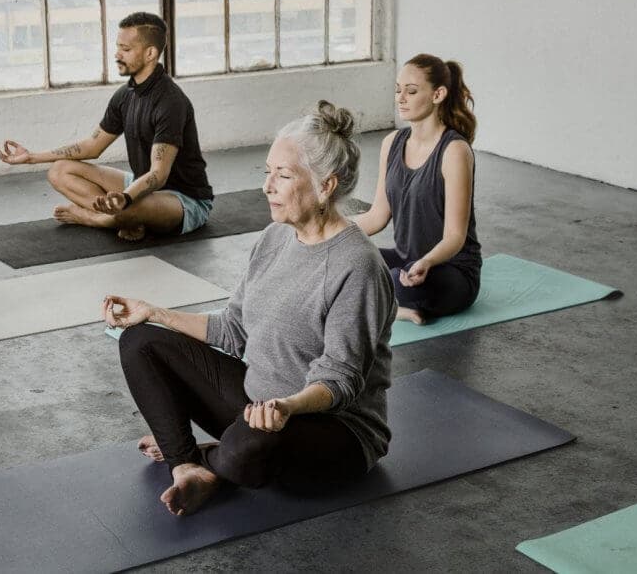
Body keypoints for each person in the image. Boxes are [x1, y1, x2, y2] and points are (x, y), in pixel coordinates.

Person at [104, 101, 396, 516]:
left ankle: (210, 457)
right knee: (139, 342)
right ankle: (189, 465)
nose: (267, 187)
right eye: (267, 172)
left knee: (249, 445)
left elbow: (341, 380)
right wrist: (154, 313)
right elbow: (233, 329)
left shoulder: (358, 265)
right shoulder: (274, 237)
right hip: (257, 406)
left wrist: (287, 407)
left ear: (325, 186)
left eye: (283, 175)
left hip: (333, 430)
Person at [0, 12, 214, 241]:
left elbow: (158, 174)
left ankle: (93, 218)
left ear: (150, 53)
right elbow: (93, 146)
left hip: (184, 199)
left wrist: (125, 198)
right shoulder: (125, 95)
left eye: (126, 49)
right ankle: (120, 217)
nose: (117, 54)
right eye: (118, 47)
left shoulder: (170, 102)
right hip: (139, 183)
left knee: (127, 209)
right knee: (59, 170)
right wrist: (31, 157)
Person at [354, 53, 482, 325]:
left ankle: (390, 304)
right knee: (349, 258)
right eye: (398, 90)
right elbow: (377, 216)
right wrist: (326, 230)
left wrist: (426, 262)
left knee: (397, 282)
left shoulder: (454, 151)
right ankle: (395, 309)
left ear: (438, 95)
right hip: (405, 261)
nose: (401, 98)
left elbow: (455, 236)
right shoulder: (391, 143)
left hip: (448, 270)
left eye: (411, 91)